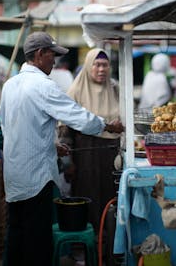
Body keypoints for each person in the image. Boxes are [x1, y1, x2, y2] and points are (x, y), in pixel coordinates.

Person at [0, 32, 124, 266]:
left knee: (16, 234)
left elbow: (11, 129)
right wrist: (108, 125)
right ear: (39, 55)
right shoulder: (43, 86)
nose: (54, 61)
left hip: (14, 174)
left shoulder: (10, 85)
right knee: (37, 239)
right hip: (36, 177)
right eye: (51, 55)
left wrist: (52, 146)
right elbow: (77, 117)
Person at [58, 48, 121, 232]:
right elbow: (64, 127)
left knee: (111, 197)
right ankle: (88, 246)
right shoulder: (76, 90)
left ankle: (110, 245)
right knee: (88, 196)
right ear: (88, 66)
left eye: (105, 65)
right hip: (86, 155)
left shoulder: (115, 89)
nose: (102, 69)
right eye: (97, 64)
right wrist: (68, 162)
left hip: (111, 155)